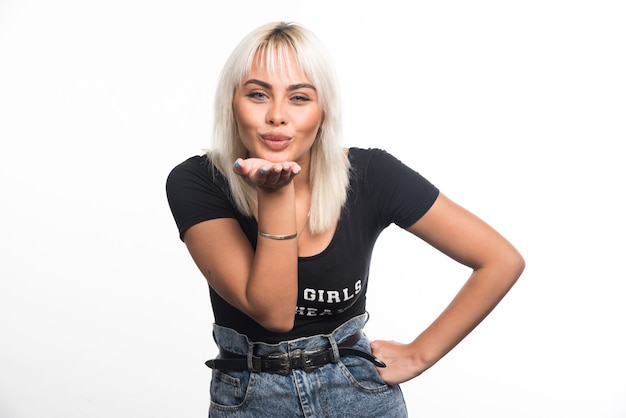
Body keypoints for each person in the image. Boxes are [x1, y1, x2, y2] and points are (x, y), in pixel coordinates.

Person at [166, 21, 524, 417]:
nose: (277, 115)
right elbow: (274, 313)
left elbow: (500, 260)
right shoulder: (196, 181)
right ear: (231, 103)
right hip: (252, 397)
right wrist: (277, 194)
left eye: (299, 97)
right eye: (257, 94)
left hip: (358, 394)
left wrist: (420, 355)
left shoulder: (371, 174)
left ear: (323, 110)